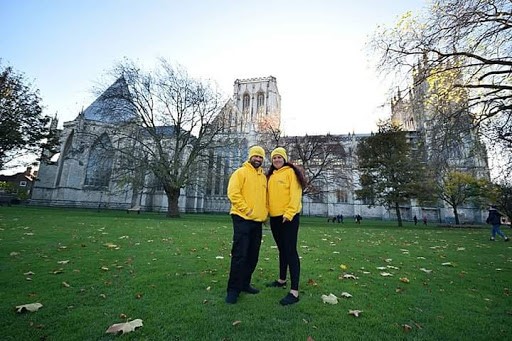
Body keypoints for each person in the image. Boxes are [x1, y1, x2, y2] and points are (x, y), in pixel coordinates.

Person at [225, 145, 269, 304]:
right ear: (250, 156)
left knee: (252, 255)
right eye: (255, 156)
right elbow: (233, 193)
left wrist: (264, 214)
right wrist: (247, 210)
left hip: (257, 221)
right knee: (240, 254)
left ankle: (244, 284)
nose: (257, 159)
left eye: (260, 157)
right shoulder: (240, 173)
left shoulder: (263, 177)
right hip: (242, 218)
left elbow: (265, 199)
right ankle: (233, 289)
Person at [266, 147, 307, 305]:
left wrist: (289, 214)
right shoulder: (270, 176)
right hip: (275, 218)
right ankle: (282, 280)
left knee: (290, 251)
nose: (276, 160)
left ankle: (294, 292)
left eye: (279, 157)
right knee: (282, 250)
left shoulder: (291, 172)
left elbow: (295, 195)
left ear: (284, 159)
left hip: (288, 218)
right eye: (274, 158)